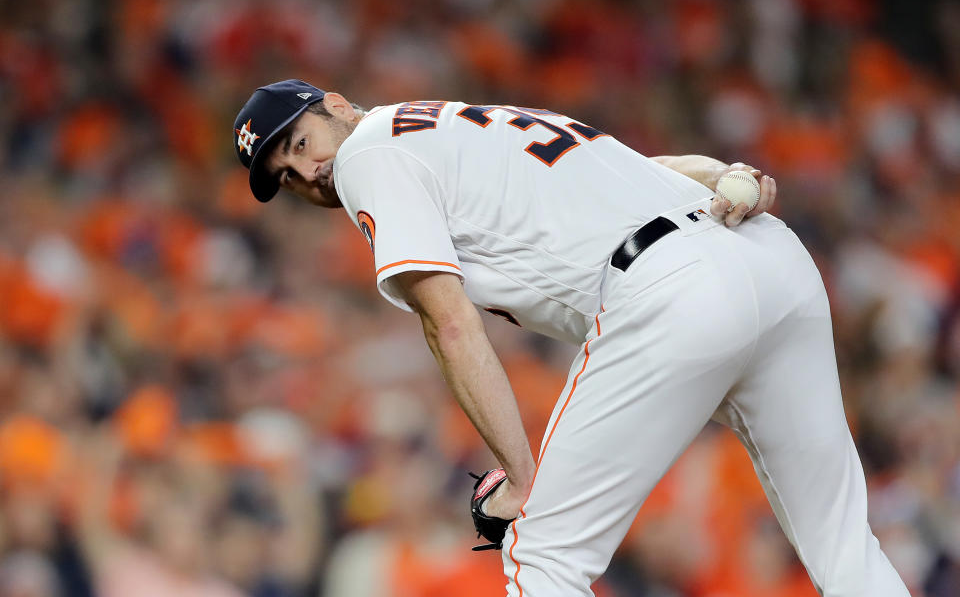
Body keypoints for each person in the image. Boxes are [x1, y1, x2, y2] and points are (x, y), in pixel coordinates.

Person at [232, 80, 909, 596]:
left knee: (544, 551)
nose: (306, 173)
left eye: (298, 145)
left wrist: (525, 480)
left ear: (339, 107)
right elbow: (627, 170)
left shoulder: (365, 156)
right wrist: (713, 172)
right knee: (844, 544)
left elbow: (449, 322)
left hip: (674, 287)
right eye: (283, 177)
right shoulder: (451, 124)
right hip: (765, 256)